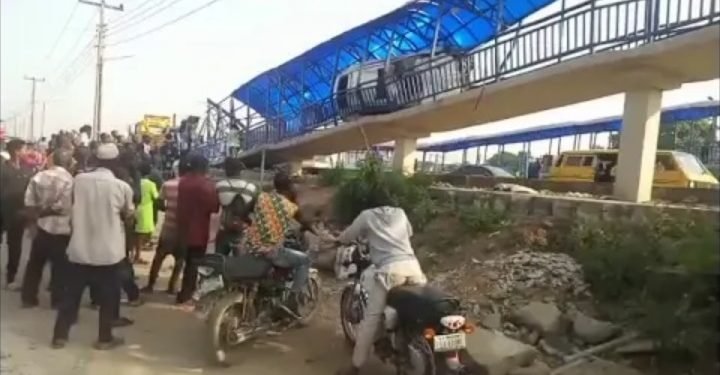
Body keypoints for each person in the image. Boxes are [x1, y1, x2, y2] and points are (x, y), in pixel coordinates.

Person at [333, 187, 427, 375]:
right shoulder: (400, 212)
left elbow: (348, 236)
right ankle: (404, 344)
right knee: (412, 314)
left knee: (370, 320)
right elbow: (408, 233)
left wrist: (338, 240)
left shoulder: (366, 216)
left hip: (390, 272)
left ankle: (355, 367)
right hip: (413, 269)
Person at [52, 143, 133, 350]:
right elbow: (129, 216)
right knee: (108, 297)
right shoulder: (122, 187)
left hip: (79, 249)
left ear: (95, 160)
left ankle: (59, 336)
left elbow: (69, 208)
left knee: (71, 295)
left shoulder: (78, 180)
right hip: (109, 253)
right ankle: (104, 339)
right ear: (116, 163)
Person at [241, 172, 319, 312]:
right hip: (270, 251)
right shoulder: (290, 206)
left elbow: (243, 213)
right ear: (289, 187)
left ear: (274, 185)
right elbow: (305, 223)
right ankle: (291, 300)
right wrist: (318, 234)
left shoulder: (261, 197)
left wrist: (255, 225)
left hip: (249, 247)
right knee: (305, 260)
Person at [20, 149, 74, 309]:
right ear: (68, 163)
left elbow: (28, 202)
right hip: (62, 229)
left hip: (41, 227)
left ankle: (28, 298)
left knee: (35, 264)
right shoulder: (70, 180)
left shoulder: (38, 176)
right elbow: (63, 207)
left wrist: (35, 218)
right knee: (60, 267)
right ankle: (57, 300)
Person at [175, 154, 219, 305]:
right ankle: (187, 295)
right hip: (199, 230)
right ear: (204, 168)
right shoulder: (207, 185)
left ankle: (183, 293)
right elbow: (214, 207)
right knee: (194, 264)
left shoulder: (183, 182)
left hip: (182, 228)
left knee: (186, 262)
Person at [142, 158, 187, 294]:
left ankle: (150, 285)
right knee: (179, 261)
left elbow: (160, 204)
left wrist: (168, 209)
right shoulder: (190, 186)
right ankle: (172, 287)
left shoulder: (167, 185)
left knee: (158, 258)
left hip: (168, 229)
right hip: (183, 231)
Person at [0, 139, 34, 289]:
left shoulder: (27, 171)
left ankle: (11, 277)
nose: (26, 152)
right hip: (2, 211)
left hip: (18, 213)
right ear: (16, 151)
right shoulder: (2, 169)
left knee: (15, 246)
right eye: (24, 149)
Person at [215, 157, 259, 256]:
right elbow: (255, 209)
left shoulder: (219, 186)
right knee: (240, 264)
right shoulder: (251, 188)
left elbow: (214, 207)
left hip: (224, 230)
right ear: (240, 171)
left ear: (226, 170)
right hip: (243, 232)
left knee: (218, 261)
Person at [132, 162, 159, 264]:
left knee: (136, 233)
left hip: (136, 208)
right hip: (146, 210)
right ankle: (138, 255)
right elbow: (156, 196)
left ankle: (136, 253)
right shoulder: (150, 184)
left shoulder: (136, 182)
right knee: (142, 234)